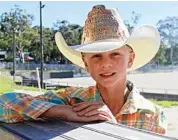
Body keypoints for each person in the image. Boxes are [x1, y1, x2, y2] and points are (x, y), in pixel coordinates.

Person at [0, 5, 167, 134]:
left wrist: (115, 131)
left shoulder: (153, 116)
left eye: (115, 54)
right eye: (96, 56)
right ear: (86, 64)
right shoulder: (73, 100)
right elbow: (4, 104)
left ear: (130, 59)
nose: (105, 63)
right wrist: (63, 111)